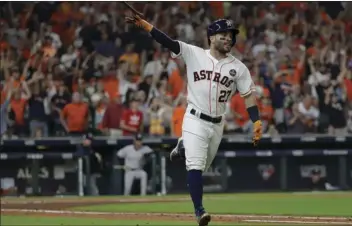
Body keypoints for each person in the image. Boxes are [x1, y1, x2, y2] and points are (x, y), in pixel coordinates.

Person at [126, 13, 263, 226]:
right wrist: (144, 25)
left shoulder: (239, 68)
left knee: (203, 166)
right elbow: (167, 41)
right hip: (195, 119)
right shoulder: (194, 53)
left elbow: (248, 97)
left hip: (218, 124)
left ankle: (182, 146)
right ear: (211, 37)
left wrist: (256, 121)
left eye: (230, 35)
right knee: (195, 166)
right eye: (223, 35)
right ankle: (200, 211)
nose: (228, 39)